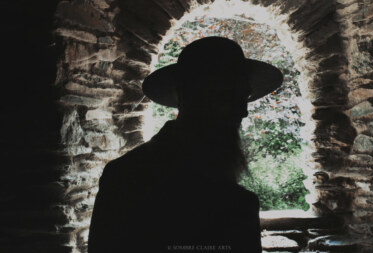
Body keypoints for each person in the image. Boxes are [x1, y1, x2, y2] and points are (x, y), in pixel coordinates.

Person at [88, 36, 283, 253]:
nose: (243, 111)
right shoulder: (126, 180)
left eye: (243, 97)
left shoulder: (122, 174)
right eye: (227, 96)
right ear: (191, 96)